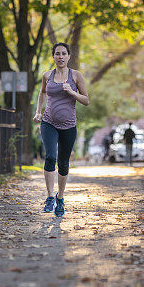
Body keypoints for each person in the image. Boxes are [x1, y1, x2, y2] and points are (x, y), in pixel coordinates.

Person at [33, 42, 90, 217]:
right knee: (50, 157)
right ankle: (50, 196)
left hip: (69, 126)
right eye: (57, 54)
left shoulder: (76, 76)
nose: (60, 57)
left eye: (64, 54)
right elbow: (42, 93)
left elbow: (86, 100)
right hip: (49, 122)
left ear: (69, 56)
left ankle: (60, 198)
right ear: (53, 56)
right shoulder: (47, 76)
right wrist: (38, 112)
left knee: (63, 163)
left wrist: (71, 92)